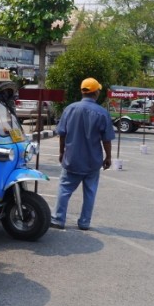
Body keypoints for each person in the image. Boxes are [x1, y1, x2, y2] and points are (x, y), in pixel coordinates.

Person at [50, 77, 116, 231]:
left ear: (82, 91)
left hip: (72, 159)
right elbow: (106, 139)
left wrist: (61, 153)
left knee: (64, 190)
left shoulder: (70, 109)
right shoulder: (102, 113)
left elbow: (62, 134)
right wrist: (108, 157)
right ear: (96, 92)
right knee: (90, 192)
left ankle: (59, 219)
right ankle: (84, 222)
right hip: (93, 161)